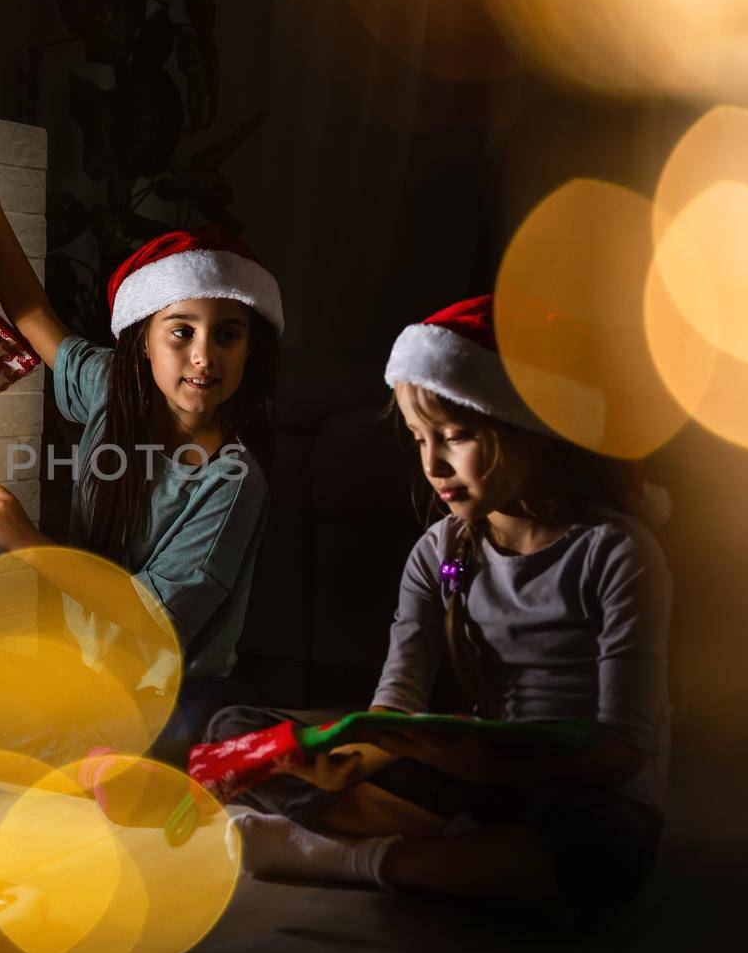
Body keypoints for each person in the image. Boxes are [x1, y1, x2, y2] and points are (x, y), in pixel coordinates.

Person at [209, 294, 672, 906]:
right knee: (235, 731)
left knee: (598, 853)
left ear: (527, 428)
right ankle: (448, 843)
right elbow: (396, 703)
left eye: (454, 436)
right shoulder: (439, 550)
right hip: (469, 779)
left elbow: (622, 752)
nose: (433, 463)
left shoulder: (616, 552)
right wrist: (344, 754)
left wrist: (488, 769)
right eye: (419, 437)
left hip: (580, 790)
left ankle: (345, 855)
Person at [0, 146, 283, 759]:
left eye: (228, 335)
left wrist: (27, 544)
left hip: (173, 683)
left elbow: (149, 619)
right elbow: (34, 315)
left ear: (249, 351)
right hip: (85, 669)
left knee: (172, 733)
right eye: (182, 331)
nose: (204, 356)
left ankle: (91, 756)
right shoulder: (114, 391)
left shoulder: (234, 481)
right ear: (143, 343)